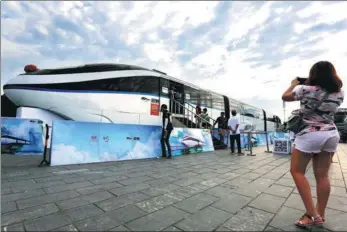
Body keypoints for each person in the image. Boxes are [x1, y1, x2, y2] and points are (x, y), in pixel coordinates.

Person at [282, 61, 344, 227]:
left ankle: (312, 213)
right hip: (331, 134)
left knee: (297, 171)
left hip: (310, 133)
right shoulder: (339, 93)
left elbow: (285, 97)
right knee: (322, 176)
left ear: (313, 74)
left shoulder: (304, 89)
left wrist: (293, 84)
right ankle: (320, 215)